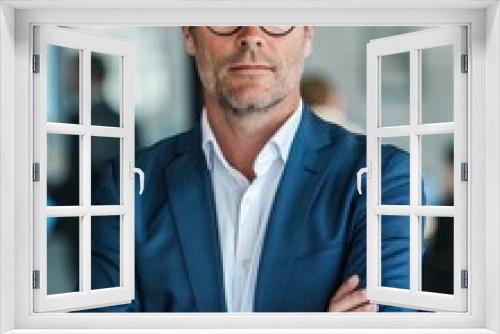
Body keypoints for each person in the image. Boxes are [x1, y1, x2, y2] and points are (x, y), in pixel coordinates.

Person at [90, 26, 411, 312]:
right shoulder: (126, 187)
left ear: (308, 32)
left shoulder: (381, 178)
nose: (251, 35)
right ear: (188, 33)